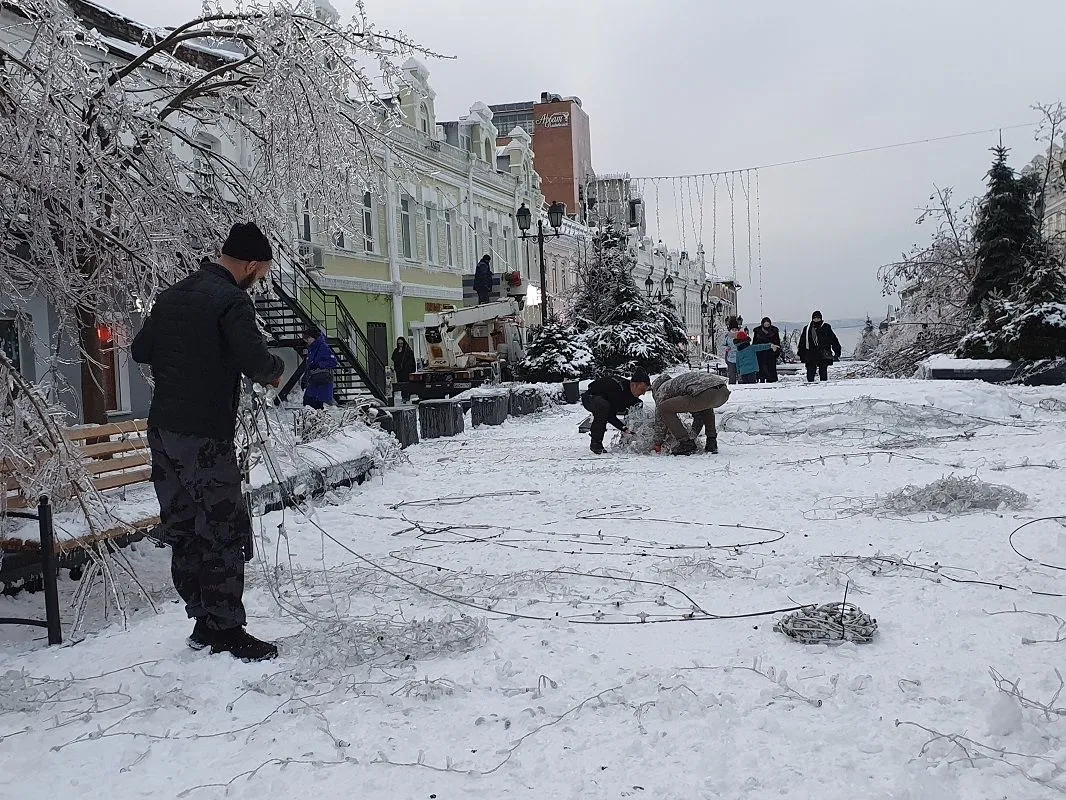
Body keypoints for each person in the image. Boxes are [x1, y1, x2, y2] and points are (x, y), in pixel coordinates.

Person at [131, 222, 285, 662]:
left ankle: (202, 621)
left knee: (184, 527)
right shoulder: (232, 300)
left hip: (163, 432)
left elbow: (142, 350)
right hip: (204, 434)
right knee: (223, 526)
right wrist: (275, 367)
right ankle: (228, 630)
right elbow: (256, 361)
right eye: (262, 271)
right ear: (251, 264)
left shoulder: (172, 295)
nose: (260, 278)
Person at [650, 371, 731, 455]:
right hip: (723, 391)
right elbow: (698, 416)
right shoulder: (680, 383)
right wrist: (693, 435)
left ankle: (685, 443)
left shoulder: (662, 389)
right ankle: (711, 441)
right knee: (705, 406)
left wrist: (657, 442)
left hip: (705, 392)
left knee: (664, 408)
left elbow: (660, 416)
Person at [581, 371, 651, 455]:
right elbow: (610, 416)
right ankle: (596, 443)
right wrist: (623, 428)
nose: (643, 393)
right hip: (591, 398)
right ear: (633, 385)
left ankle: (624, 441)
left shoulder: (631, 395)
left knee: (638, 404)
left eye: (645, 391)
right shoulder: (617, 390)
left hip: (606, 401)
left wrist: (630, 429)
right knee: (604, 407)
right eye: (642, 390)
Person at [797, 310, 842, 383]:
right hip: (811, 353)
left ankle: (823, 387)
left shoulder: (826, 327)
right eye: (815, 318)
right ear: (812, 319)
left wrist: (837, 351)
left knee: (823, 371)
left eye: (818, 318)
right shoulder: (807, 328)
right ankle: (810, 387)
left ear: (821, 318)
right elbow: (802, 341)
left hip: (823, 352)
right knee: (810, 372)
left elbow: (833, 339)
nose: (816, 320)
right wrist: (801, 353)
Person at [300, 326, 338, 410]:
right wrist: (304, 378)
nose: (305, 340)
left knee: (314, 406)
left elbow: (333, 362)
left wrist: (318, 364)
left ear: (313, 337)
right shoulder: (312, 348)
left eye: (307, 338)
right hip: (314, 382)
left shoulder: (322, 347)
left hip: (322, 383)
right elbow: (309, 366)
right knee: (308, 403)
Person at [753, 317, 781, 383]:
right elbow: (754, 343)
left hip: (771, 354)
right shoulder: (757, 331)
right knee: (761, 369)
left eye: (768, 325)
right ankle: (761, 379)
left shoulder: (774, 331)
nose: (766, 326)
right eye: (765, 325)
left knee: (771, 369)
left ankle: (771, 380)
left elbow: (777, 343)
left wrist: (776, 351)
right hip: (760, 354)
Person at [392, 336, 416, 402]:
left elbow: (411, 362)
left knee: (406, 384)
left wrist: (409, 369)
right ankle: (403, 396)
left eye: (401, 343)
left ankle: (406, 397)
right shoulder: (396, 350)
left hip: (406, 371)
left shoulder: (408, 351)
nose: (400, 345)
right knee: (401, 384)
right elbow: (394, 358)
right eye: (399, 343)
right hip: (399, 371)